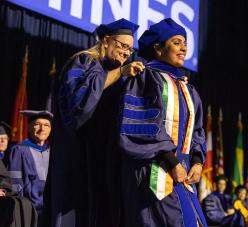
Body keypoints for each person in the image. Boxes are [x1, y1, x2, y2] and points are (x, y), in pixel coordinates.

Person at [48, 18, 144, 227]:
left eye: (130, 49)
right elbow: (78, 105)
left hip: (105, 155)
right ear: (107, 40)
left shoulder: (121, 76)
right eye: (123, 46)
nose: (127, 53)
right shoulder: (83, 61)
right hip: (78, 151)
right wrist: (120, 72)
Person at [118, 18, 207, 226]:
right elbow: (142, 126)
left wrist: (197, 161)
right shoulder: (145, 78)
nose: (184, 48)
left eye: (185, 43)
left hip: (182, 175)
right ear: (158, 48)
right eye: (177, 42)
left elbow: (198, 131)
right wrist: (172, 162)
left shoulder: (187, 88)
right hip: (153, 173)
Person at [7, 110, 52, 223]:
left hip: (51, 205)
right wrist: (20, 204)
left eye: (47, 125)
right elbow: (14, 179)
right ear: (29, 128)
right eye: (37, 124)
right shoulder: (19, 150)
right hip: (30, 206)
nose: (42, 129)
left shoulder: (53, 150)